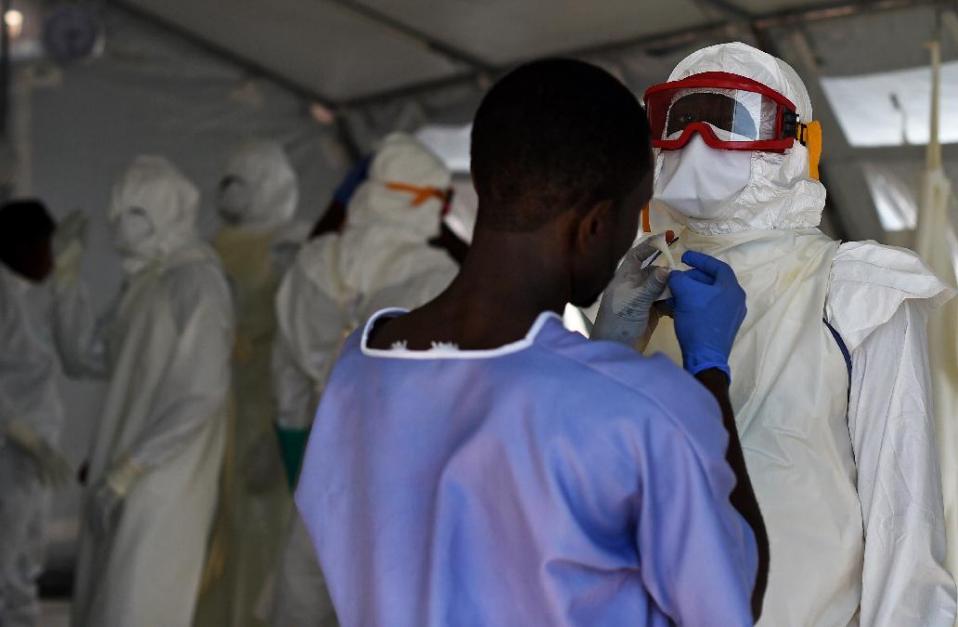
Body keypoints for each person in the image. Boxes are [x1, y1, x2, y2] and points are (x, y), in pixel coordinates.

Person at [295, 58, 768, 626]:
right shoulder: (649, 408)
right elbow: (729, 601)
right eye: (631, 213)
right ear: (595, 226)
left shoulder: (360, 369)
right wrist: (709, 370)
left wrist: (610, 352)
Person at [642, 41, 957, 626]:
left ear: (794, 143)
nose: (696, 142)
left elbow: (902, 521)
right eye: (677, 122)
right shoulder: (641, 288)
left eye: (727, 120)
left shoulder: (853, 290)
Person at [268, 132, 461, 627]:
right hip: (401, 486)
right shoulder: (435, 277)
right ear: (424, 200)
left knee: (304, 600)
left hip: (319, 474)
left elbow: (286, 387)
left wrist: (302, 471)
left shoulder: (309, 265)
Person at [52, 156, 235, 627]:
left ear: (168, 213)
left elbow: (201, 393)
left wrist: (132, 468)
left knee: (140, 603)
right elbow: (86, 356)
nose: (119, 224)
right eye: (116, 212)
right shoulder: (146, 282)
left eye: (135, 212)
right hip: (125, 468)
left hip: (164, 478)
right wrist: (66, 284)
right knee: (105, 600)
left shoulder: (196, 283)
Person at [193, 140, 300, 627]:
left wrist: (281, 429)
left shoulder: (286, 251)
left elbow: (296, 348)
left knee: (262, 543)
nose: (232, 191)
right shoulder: (209, 251)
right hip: (221, 415)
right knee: (222, 538)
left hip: (262, 413)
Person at [0, 200, 74, 627]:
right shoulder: (5, 299)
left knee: (23, 554)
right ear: (19, 246)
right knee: (10, 561)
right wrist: (25, 435)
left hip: (28, 452)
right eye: (45, 246)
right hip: (13, 451)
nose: (50, 257)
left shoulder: (20, 295)